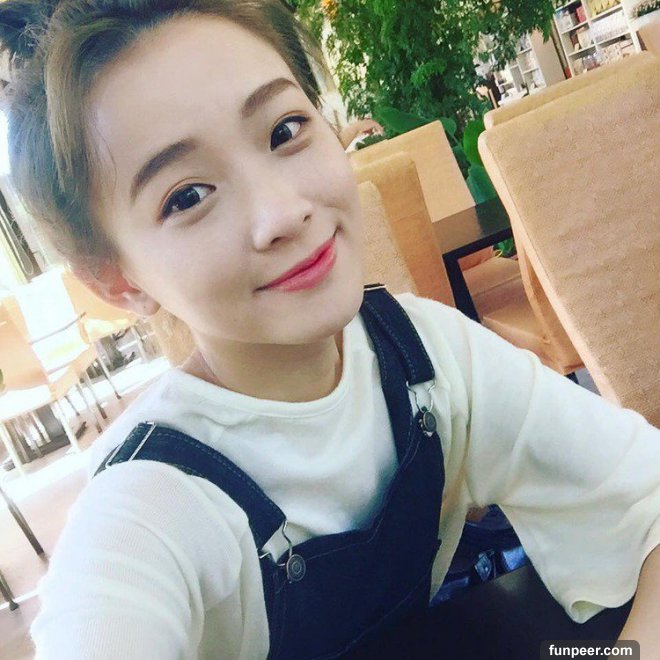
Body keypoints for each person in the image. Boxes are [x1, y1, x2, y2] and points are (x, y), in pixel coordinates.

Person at [0, 1, 658, 658]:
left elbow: (646, 490)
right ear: (117, 281)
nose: (283, 212)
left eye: (284, 130)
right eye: (188, 197)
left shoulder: (427, 354)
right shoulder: (145, 508)